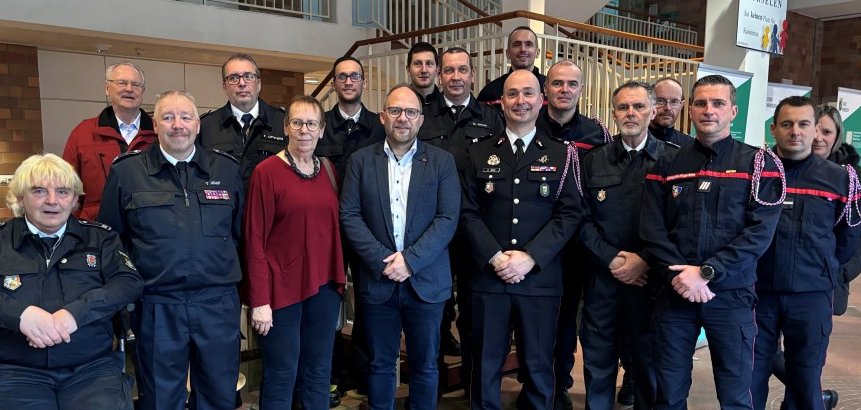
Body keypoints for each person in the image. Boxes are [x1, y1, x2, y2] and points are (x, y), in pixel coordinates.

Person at [640, 74, 784, 409]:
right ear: (690, 110)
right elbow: (652, 228)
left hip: (731, 297)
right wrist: (680, 276)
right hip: (674, 295)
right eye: (701, 103)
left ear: (733, 111)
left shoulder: (759, 164)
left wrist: (706, 272)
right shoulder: (666, 162)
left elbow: (758, 233)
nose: (709, 110)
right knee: (669, 392)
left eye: (718, 103)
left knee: (735, 394)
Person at [99, 91, 245, 410]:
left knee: (220, 394)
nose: (177, 125)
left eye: (185, 117)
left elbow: (239, 234)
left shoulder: (226, 170)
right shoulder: (127, 172)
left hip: (216, 304)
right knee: (161, 398)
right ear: (155, 124)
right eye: (168, 117)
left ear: (197, 125)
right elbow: (111, 242)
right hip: (156, 305)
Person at [460, 69, 586, 409]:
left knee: (539, 365)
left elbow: (571, 214)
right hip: (489, 278)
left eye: (528, 93)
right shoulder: (477, 152)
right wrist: (496, 257)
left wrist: (530, 257)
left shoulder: (563, 154)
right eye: (512, 94)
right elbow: (467, 213)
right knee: (484, 365)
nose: (521, 101)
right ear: (502, 102)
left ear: (541, 100)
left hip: (540, 281)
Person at [340, 85, 460, 410]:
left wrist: (410, 261)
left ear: (421, 120)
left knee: (425, 366)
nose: (402, 118)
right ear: (383, 117)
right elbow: (349, 215)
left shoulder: (441, 162)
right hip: (378, 283)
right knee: (379, 365)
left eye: (410, 112)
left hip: (426, 282)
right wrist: (384, 262)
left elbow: (448, 218)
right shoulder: (361, 161)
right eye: (395, 111)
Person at [0, 153, 142, 410]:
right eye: (39, 191)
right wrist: (20, 315)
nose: (52, 201)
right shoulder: (2, 241)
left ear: (75, 199)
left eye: (63, 191)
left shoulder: (100, 239)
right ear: (21, 197)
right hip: (15, 371)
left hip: (92, 369)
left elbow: (128, 281)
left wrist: (74, 314)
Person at [244, 95, 346, 409]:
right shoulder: (267, 171)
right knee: (281, 374)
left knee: (318, 371)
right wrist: (259, 300)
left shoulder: (329, 169)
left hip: (323, 288)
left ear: (321, 129)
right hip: (280, 292)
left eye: (311, 123)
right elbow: (254, 239)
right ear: (287, 127)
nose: (304, 130)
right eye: (297, 122)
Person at [579, 81, 675, 410]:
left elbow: (677, 224)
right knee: (597, 360)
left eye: (637, 106)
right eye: (623, 107)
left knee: (648, 363)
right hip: (602, 280)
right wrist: (612, 260)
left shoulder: (672, 161)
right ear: (614, 113)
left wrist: (645, 261)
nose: (630, 113)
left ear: (652, 111)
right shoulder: (594, 161)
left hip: (651, 283)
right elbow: (581, 219)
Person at [757, 101, 858, 410]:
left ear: (815, 130)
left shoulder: (840, 178)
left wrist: (819, 269)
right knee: (749, 375)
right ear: (774, 129)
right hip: (758, 292)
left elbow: (848, 238)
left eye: (803, 124)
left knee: (805, 376)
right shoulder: (756, 172)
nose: (795, 131)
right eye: (787, 124)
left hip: (811, 295)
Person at [416, 47, 505, 380]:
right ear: (440, 76)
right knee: (433, 307)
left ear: (472, 75)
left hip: (475, 225)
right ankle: (432, 379)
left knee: (473, 308)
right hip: (430, 226)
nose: (456, 77)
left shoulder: (491, 118)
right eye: (449, 71)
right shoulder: (422, 115)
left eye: (462, 70)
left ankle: (473, 380)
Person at [534, 59, 609, 409]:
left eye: (571, 84)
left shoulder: (596, 134)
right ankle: (534, 384)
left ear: (580, 90)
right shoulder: (527, 125)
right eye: (557, 83)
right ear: (545, 88)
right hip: (535, 242)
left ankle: (559, 384)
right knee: (535, 321)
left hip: (579, 245)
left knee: (567, 320)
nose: (564, 90)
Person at [315, 55, 383, 401]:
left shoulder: (380, 125)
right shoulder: (319, 124)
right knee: (328, 305)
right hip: (327, 231)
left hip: (369, 229)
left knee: (370, 304)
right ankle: (330, 376)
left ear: (363, 83)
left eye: (354, 76)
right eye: (341, 77)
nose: (348, 82)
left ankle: (365, 373)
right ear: (335, 84)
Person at [62, 62, 157, 221]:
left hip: (149, 228)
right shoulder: (83, 133)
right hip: (96, 230)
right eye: (122, 83)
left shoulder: (159, 134)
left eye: (135, 84)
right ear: (107, 88)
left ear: (143, 91)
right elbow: (65, 186)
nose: (129, 89)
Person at [198, 53, 287, 185]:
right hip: (225, 204)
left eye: (248, 77)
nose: (242, 83)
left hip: (270, 205)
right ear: (224, 86)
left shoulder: (284, 122)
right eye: (234, 78)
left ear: (259, 83)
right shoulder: (206, 126)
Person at [477, 26, 546, 111]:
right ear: (508, 53)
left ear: (537, 52)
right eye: (517, 45)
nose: (523, 49)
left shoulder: (550, 91)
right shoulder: (490, 93)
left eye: (528, 45)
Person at [648, 78, 693, 147]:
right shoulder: (633, 142)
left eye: (674, 102)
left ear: (681, 106)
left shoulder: (690, 145)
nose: (668, 108)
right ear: (649, 103)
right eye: (660, 101)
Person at [406, 42, 441, 106]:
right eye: (417, 63)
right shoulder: (397, 103)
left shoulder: (448, 106)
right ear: (408, 70)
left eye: (429, 63)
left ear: (437, 70)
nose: (424, 70)